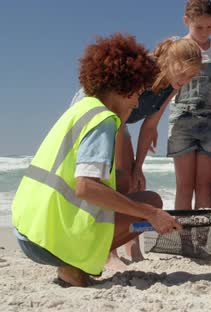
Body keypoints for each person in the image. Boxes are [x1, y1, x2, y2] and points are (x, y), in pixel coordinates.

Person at [11, 33, 182, 287]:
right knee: (150, 205)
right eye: (136, 93)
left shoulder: (82, 109)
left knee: (125, 183)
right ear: (123, 88)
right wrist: (151, 214)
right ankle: (72, 264)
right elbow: (85, 187)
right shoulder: (102, 120)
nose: (137, 103)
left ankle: (74, 258)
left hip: (26, 229)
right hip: (48, 240)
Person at [69, 37, 202, 268]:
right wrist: (126, 167)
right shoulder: (143, 73)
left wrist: (138, 166)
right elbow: (116, 120)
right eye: (183, 72)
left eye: (191, 76)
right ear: (169, 62)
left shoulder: (172, 85)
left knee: (134, 179)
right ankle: (108, 252)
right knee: (115, 179)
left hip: (122, 121)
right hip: (102, 114)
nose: (185, 80)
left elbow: (150, 125)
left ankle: (133, 248)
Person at [170, 0, 211, 212]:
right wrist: (151, 126)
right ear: (186, 21)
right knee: (184, 186)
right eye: (199, 27)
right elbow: (165, 89)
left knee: (204, 185)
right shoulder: (176, 47)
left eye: (209, 27)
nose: (204, 32)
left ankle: (201, 239)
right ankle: (183, 240)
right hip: (181, 123)